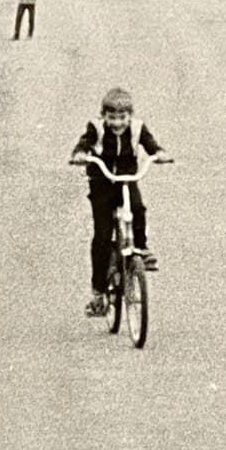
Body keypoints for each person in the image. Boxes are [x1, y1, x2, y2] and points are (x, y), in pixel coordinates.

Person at [68, 87, 172, 316]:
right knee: (103, 236)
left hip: (126, 178)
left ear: (130, 116)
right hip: (102, 180)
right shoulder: (95, 128)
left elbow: (150, 143)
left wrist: (160, 153)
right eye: (112, 118)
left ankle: (141, 248)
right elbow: (84, 144)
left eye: (122, 117)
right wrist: (80, 155)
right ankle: (98, 292)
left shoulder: (137, 128)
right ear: (103, 116)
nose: (117, 123)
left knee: (138, 209)